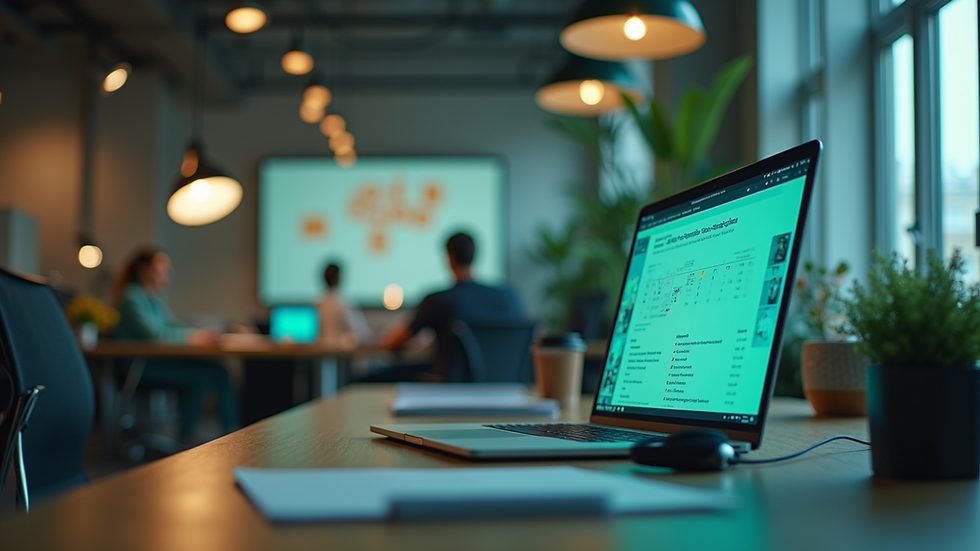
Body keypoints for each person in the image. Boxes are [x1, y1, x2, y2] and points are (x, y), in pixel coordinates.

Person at [113, 246, 240, 442]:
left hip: (156, 362)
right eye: (161, 270)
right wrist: (195, 338)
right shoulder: (131, 297)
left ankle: (230, 432)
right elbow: (156, 334)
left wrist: (200, 333)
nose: (167, 275)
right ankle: (185, 438)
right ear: (143, 270)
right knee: (204, 376)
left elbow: (171, 325)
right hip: (141, 367)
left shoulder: (153, 297)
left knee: (219, 371)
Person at [380, 232, 525, 381]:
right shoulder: (509, 297)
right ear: (474, 255)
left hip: (451, 391)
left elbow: (393, 343)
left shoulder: (437, 300)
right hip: (507, 390)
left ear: (449, 258)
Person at [316, 262, 372, 347]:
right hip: (342, 353)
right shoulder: (343, 304)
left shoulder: (317, 303)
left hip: (322, 353)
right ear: (338, 278)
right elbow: (360, 333)